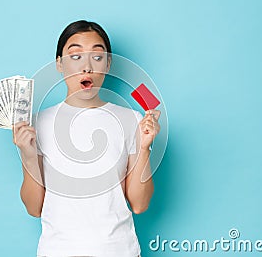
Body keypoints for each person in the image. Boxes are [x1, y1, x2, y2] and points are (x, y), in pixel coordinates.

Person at [13, 20, 161, 257]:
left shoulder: (131, 119)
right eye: (75, 56)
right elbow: (33, 208)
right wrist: (28, 155)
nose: (87, 67)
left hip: (119, 250)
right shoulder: (37, 124)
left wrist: (145, 148)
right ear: (59, 64)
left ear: (108, 63)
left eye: (98, 56)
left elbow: (140, 204)